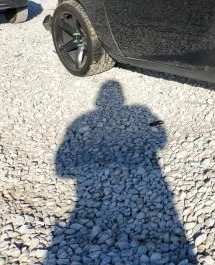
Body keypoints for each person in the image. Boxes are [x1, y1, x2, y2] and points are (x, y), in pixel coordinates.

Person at [46, 81, 195, 264]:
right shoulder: (140, 111)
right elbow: (161, 140)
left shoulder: (83, 120)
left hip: (88, 198)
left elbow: (62, 168)